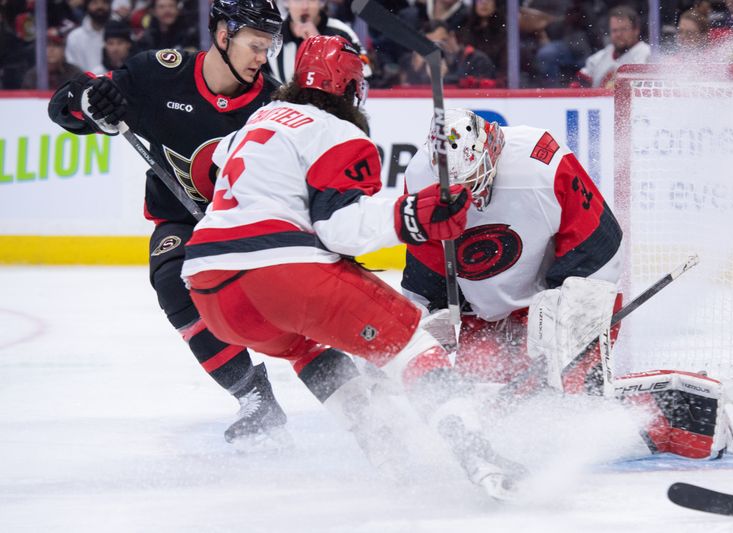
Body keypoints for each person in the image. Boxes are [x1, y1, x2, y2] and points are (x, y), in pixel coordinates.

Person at [180, 35, 527, 499]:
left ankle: (384, 450)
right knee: (409, 341)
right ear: (347, 87)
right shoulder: (340, 133)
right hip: (281, 271)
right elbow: (339, 228)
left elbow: (207, 164)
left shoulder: (259, 119)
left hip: (212, 292)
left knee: (308, 350)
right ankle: (477, 451)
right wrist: (411, 216)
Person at [401, 108, 733, 460]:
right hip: (483, 309)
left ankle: (668, 416)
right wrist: (428, 314)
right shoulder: (420, 177)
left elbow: (600, 242)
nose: (467, 198)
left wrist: (562, 319)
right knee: (484, 394)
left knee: (563, 394)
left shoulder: (541, 162)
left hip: (563, 292)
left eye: (472, 182)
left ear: (491, 150)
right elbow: (427, 256)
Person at [47, 0, 296, 445]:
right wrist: (88, 102)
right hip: (183, 219)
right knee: (170, 279)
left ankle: (348, 377)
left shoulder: (272, 105)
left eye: (270, 46)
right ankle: (254, 396)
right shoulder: (160, 74)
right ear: (223, 36)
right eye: (256, 45)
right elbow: (67, 107)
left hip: (248, 225)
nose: (264, 57)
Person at [266, 0, 370, 85]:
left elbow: (365, 73)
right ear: (286, 2)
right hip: (285, 107)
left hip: (330, 107)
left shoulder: (341, 32)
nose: (304, 6)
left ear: (322, 2)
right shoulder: (272, 34)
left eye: (311, 0)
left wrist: (320, 44)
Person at [574, 5, 650, 88]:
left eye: (623, 29)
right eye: (614, 30)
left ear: (636, 30)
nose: (618, 34)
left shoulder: (648, 55)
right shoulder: (599, 58)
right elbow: (579, 85)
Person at [401, 20, 495, 87]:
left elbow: (481, 88)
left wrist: (441, 78)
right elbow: (412, 87)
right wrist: (416, 69)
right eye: (431, 44)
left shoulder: (476, 60)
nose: (438, 48)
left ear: (452, 36)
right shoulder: (423, 62)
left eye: (442, 41)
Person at [65, 0, 111, 71]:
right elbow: (72, 67)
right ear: (87, 6)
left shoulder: (117, 35)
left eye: (104, 2)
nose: (100, 6)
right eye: (95, 3)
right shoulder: (74, 37)